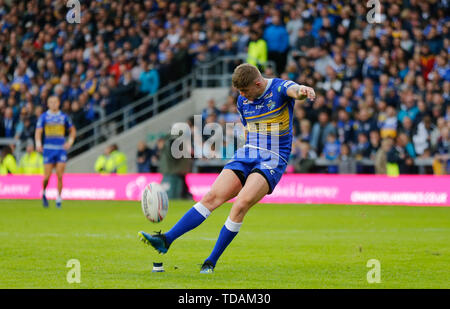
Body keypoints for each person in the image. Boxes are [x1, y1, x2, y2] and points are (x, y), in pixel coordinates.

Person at [138, 63, 315, 273]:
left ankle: (210, 261)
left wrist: (303, 91)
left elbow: (294, 90)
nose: (242, 95)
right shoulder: (242, 100)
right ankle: (166, 240)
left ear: (258, 83)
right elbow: (248, 126)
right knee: (212, 197)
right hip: (248, 151)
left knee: (240, 204)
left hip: (273, 156)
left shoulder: (278, 88)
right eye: (239, 92)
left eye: (245, 91)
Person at [35, 96, 76, 208]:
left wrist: (70, 142)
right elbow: (38, 131)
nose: (53, 104)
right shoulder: (44, 117)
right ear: (47, 104)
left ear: (59, 103)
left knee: (59, 175)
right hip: (48, 149)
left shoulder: (64, 117)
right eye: (51, 102)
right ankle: (43, 193)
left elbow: (72, 130)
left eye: (55, 102)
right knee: (47, 177)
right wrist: (38, 144)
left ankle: (58, 199)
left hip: (60, 149)